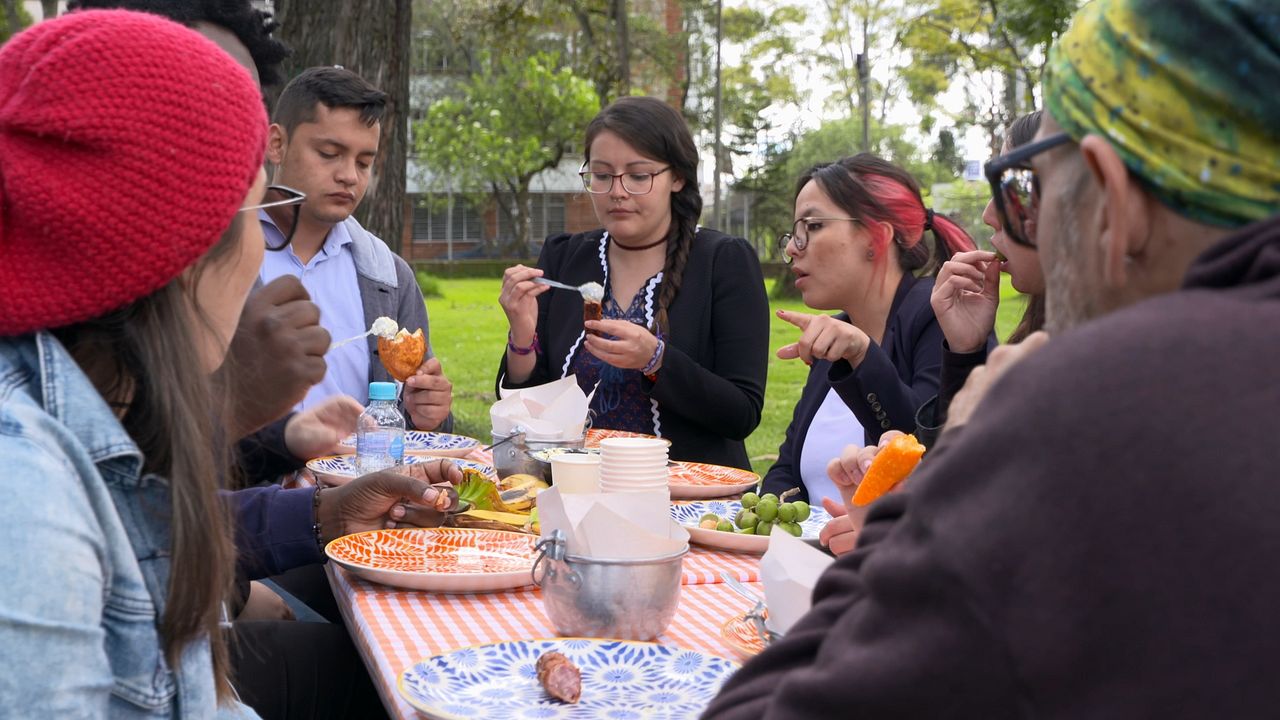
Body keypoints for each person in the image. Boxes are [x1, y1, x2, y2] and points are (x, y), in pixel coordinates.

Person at [703, 0, 1280, 715]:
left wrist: (953, 467)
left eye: (1024, 187)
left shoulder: (1090, 404)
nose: (1000, 221)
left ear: (1114, 194)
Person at [0, 11, 460, 718]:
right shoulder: (25, 503)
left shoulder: (86, 422)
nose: (262, 247)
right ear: (183, 251)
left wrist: (330, 510)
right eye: (250, 212)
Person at [497, 96, 769, 470]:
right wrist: (522, 337)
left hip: (686, 501)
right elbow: (527, 412)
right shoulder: (564, 258)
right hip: (574, 487)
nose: (617, 191)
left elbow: (742, 413)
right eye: (602, 174)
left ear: (677, 177)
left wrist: (656, 360)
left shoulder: (722, 261)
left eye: (639, 176)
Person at [759, 154, 975, 504]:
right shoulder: (837, 336)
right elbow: (787, 470)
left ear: (877, 236)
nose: (790, 248)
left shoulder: (941, 316)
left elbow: (918, 447)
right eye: (795, 231)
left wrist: (862, 355)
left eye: (812, 227)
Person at [260, 66, 453, 433]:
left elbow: (416, 426)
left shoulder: (388, 277)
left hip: (356, 489)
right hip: (241, 489)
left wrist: (428, 413)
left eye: (364, 162)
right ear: (277, 144)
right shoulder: (219, 255)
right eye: (330, 153)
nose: (349, 175)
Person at [916, 111, 1046, 447]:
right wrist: (965, 352)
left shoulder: (1100, 367)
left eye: (1011, 186)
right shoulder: (1038, 335)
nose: (989, 214)